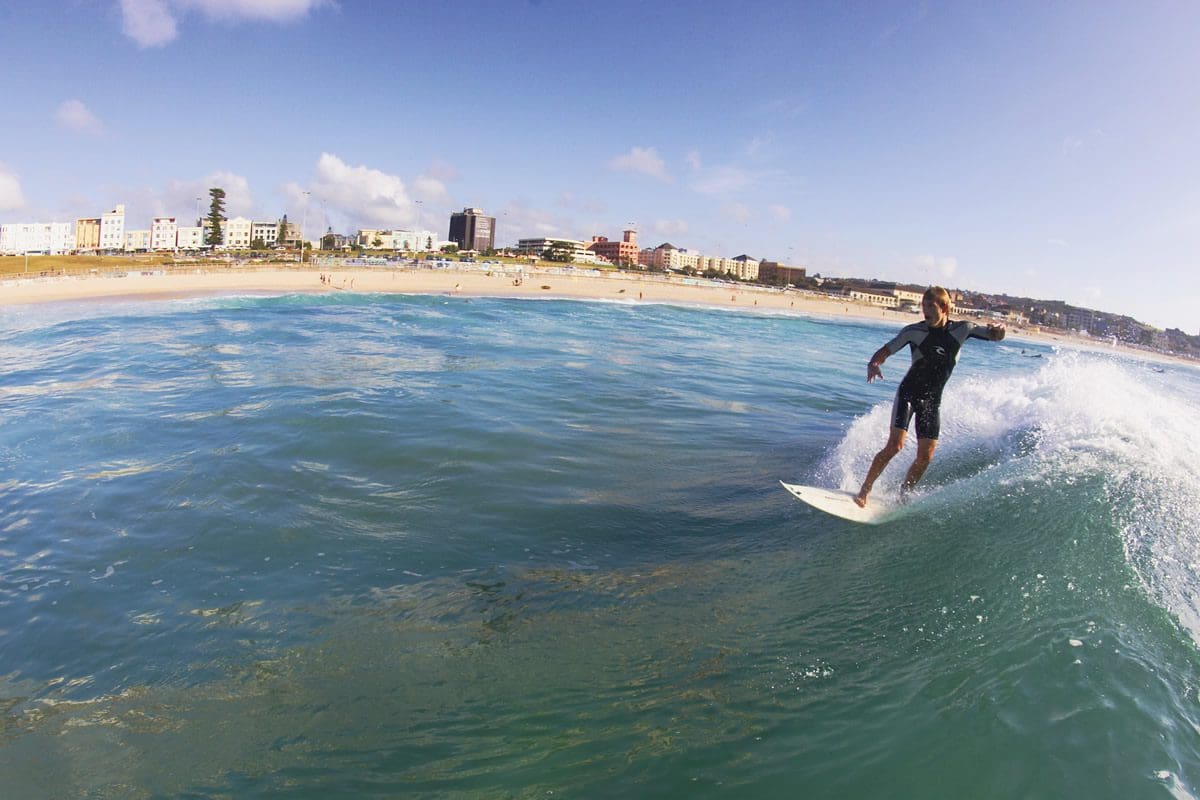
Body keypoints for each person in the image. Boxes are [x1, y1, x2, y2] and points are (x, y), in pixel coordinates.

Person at [854, 286, 1005, 507]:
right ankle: (864, 491)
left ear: (944, 307)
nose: (925, 311)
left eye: (930, 306)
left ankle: (903, 495)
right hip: (908, 392)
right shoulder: (913, 331)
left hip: (932, 401)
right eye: (923, 306)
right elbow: (885, 351)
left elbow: (995, 335)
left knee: (926, 456)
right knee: (895, 446)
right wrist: (873, 364)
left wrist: (1000, 330)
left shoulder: (963, 329)